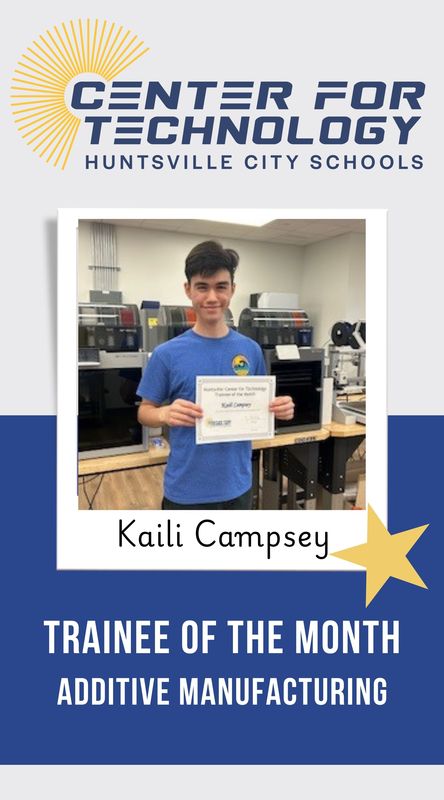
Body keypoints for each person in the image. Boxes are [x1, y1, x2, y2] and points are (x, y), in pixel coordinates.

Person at [137, 240, 294, 509]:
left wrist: (280, 408)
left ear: (232, 290)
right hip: (186, 492)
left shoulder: (251, 350)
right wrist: (164, 414)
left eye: (221, 287)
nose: (212, 297)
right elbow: (144, 411)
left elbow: (257, 406)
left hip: (239, 487)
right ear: (188, 290)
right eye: (202, 287)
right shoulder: (167, 354)